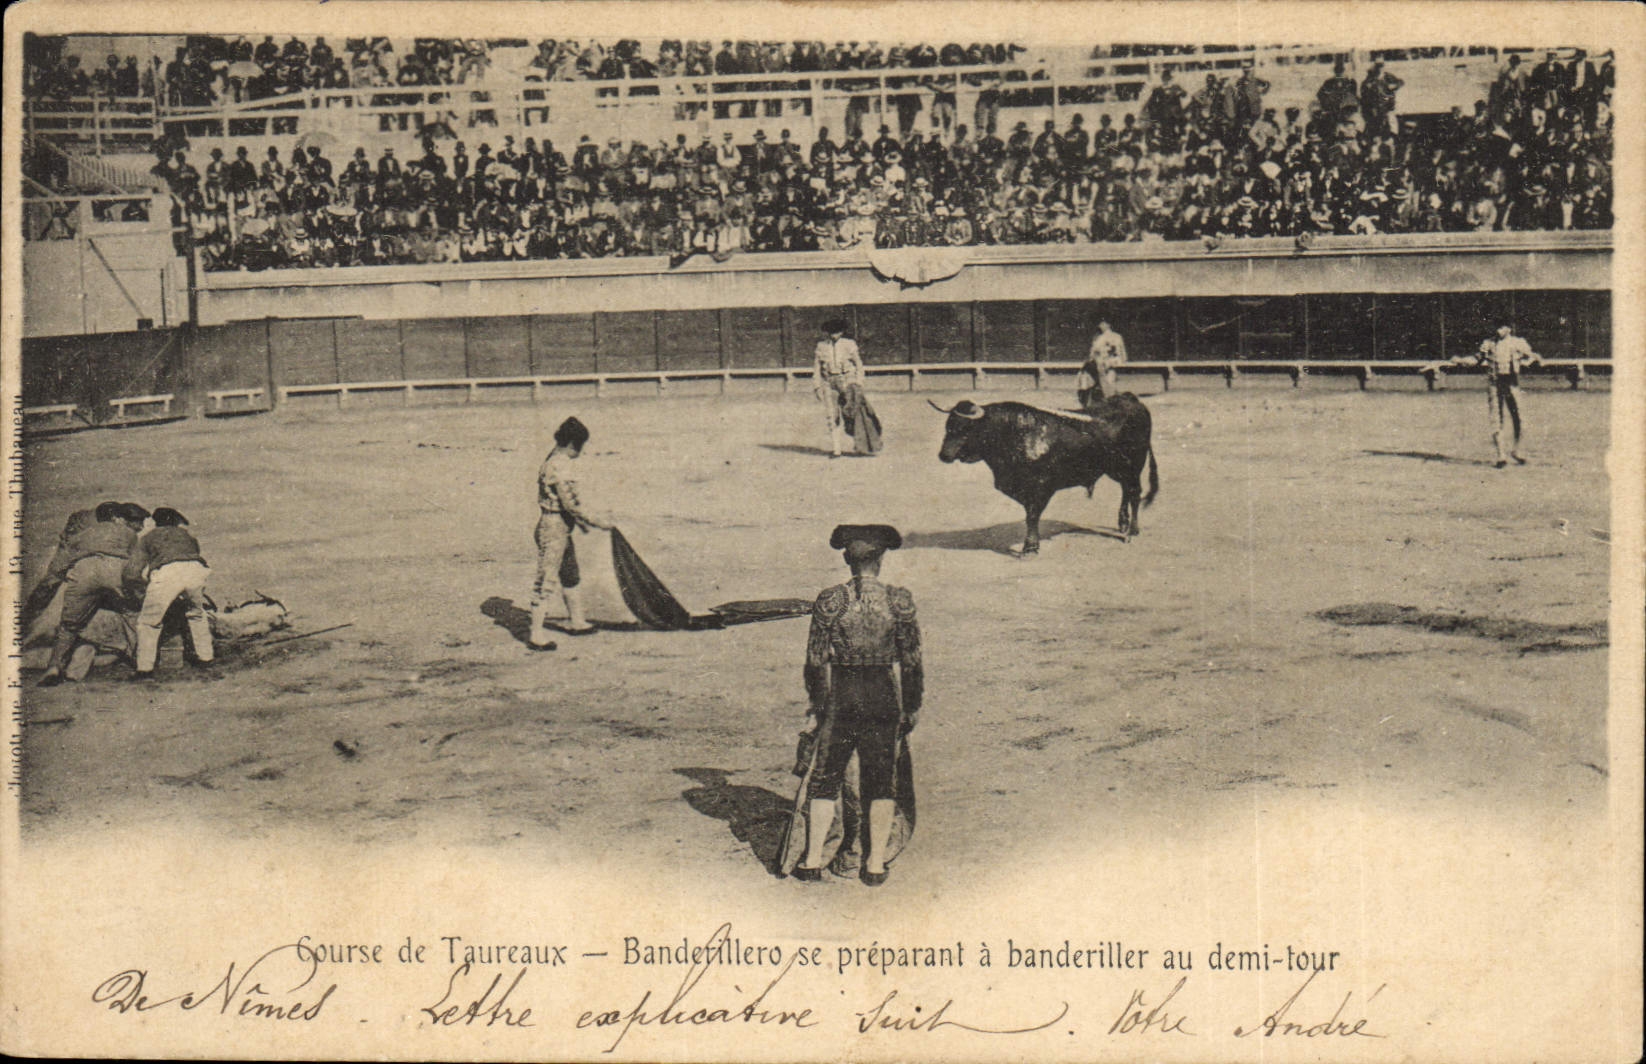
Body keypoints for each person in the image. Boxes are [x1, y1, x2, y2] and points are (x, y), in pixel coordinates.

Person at [789, 524, 922, 886]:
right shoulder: (899, 600)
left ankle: (812, 861)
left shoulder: (831, 600)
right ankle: (875, 865)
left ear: (847, 559)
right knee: (881, 782)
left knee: (826, 778)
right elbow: (911, 661)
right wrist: (911, 707)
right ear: (881, 559)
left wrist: (819, 706)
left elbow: (815, 661)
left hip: (842, 696)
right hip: (883, 694)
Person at [38, 503, 149, 687]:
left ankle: (54, 667)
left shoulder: (82, 534)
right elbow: (134, 565)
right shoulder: (128, 533)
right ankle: (141, 661)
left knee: (69, 625)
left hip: (84, 571)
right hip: (115, 569)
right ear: (117, 518)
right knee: (131, 614)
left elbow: (58, 567)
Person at [530, 417, 610, 649]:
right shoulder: (560, 464)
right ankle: (536, 635)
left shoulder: (552, 458)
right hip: (553, 528)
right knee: (546, 580)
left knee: (570, 573)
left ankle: (577, 621)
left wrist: (581, 524)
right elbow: (570, 504)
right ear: (574, 444)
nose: (581, 452)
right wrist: (596, 522)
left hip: (559, 526)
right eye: (580, 447)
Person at [123, 507, 214, 678]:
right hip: (196, 570)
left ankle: (144, 669)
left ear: (156, 523)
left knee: (148, 622)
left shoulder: (148, 538)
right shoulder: (188, 537)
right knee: (197, 615)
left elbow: (132, 572)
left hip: (168, 573)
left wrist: (142, 590)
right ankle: (206, 658)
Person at [1437, 323, 1543, 467]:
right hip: (1495, 384)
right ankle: (1501, 455)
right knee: (1496, 419)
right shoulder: (1488, 344)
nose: (1498, 330)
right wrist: (1461, 361)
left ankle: (1517, 450)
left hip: (1512, 384)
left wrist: (1532, 360)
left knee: (1520, 418)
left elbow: (1533, 358)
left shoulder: (1518, 343)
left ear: (1509, 328)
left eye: (1501, 327)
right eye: (1496, 327)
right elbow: (1476, 359)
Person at [813, 319, 881, 456]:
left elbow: (858, 364)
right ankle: (836, 450)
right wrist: (816, 387)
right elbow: (816, 367)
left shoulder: (849, 344)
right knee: (832, 416)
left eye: (837, 332)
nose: (834, 335)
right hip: (828, 382)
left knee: (854, 415)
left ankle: (861, 445)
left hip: (847, 381)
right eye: (831, 332)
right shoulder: (821, 346)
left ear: (842, 332)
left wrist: (859, 383)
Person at [1076, 319, 1128, 408]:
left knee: (1106, 387)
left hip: (1105, 366)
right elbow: (1122, 356)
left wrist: (1107, 363)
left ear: (1108, 324)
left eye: (1102, 323)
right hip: (1101, 365)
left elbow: (1119, 354)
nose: (1100, 325)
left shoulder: (1107, 337)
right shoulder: (1110, 337)